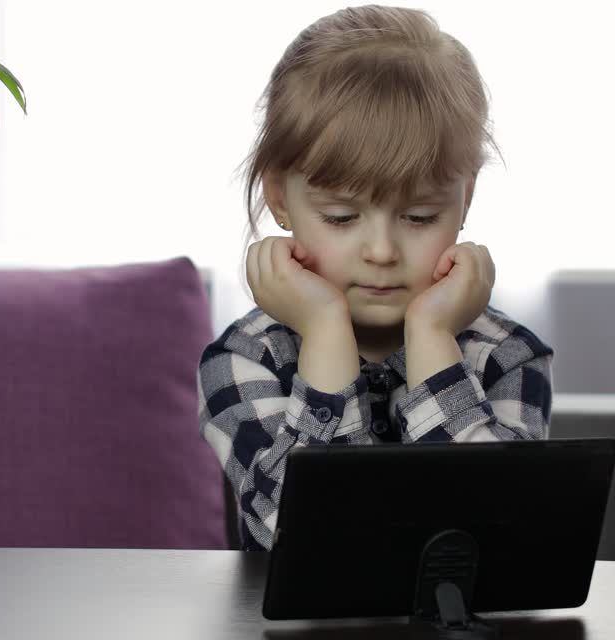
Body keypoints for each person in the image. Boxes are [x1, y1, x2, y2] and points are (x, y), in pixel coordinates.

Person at [198, 5, 553, 551]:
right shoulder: (246, 358)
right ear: (279, 198)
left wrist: (433, 338)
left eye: (420, 217)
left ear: (466, 198)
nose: (383, 252)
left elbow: (497, 533)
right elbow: (304, 537)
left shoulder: (507, 355)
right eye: (342, 218)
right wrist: (325, 331)